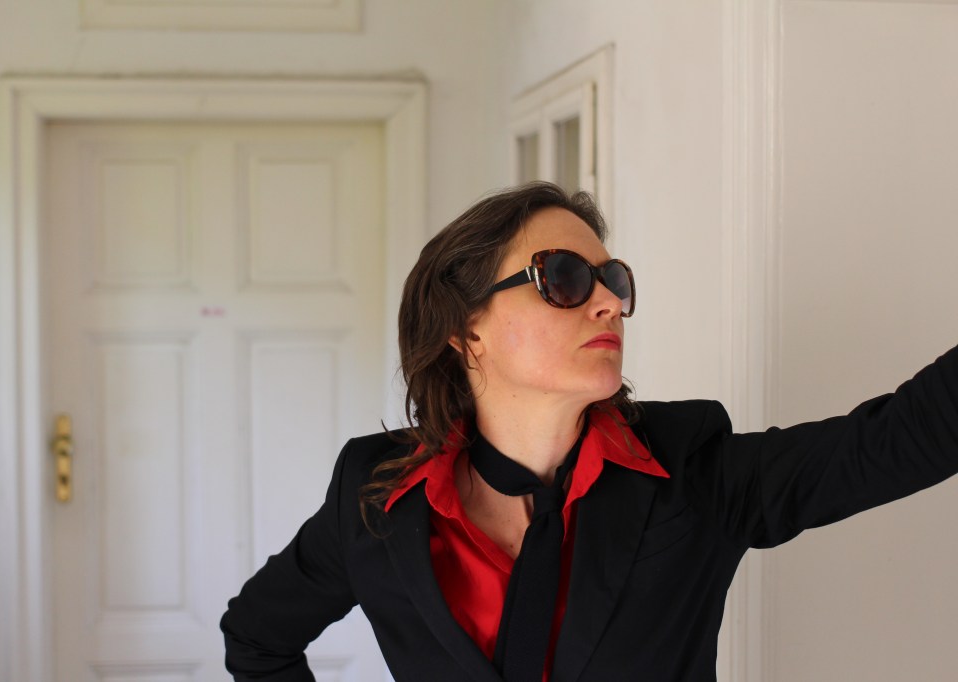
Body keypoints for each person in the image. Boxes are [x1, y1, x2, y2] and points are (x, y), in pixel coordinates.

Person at [220, 182, 958, 681]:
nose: (608, 302)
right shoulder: (374, 498)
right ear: (465, 331)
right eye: (565, 278)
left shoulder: (694, 473)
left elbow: (900, 438)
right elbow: (257, 637)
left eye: (615, 280)